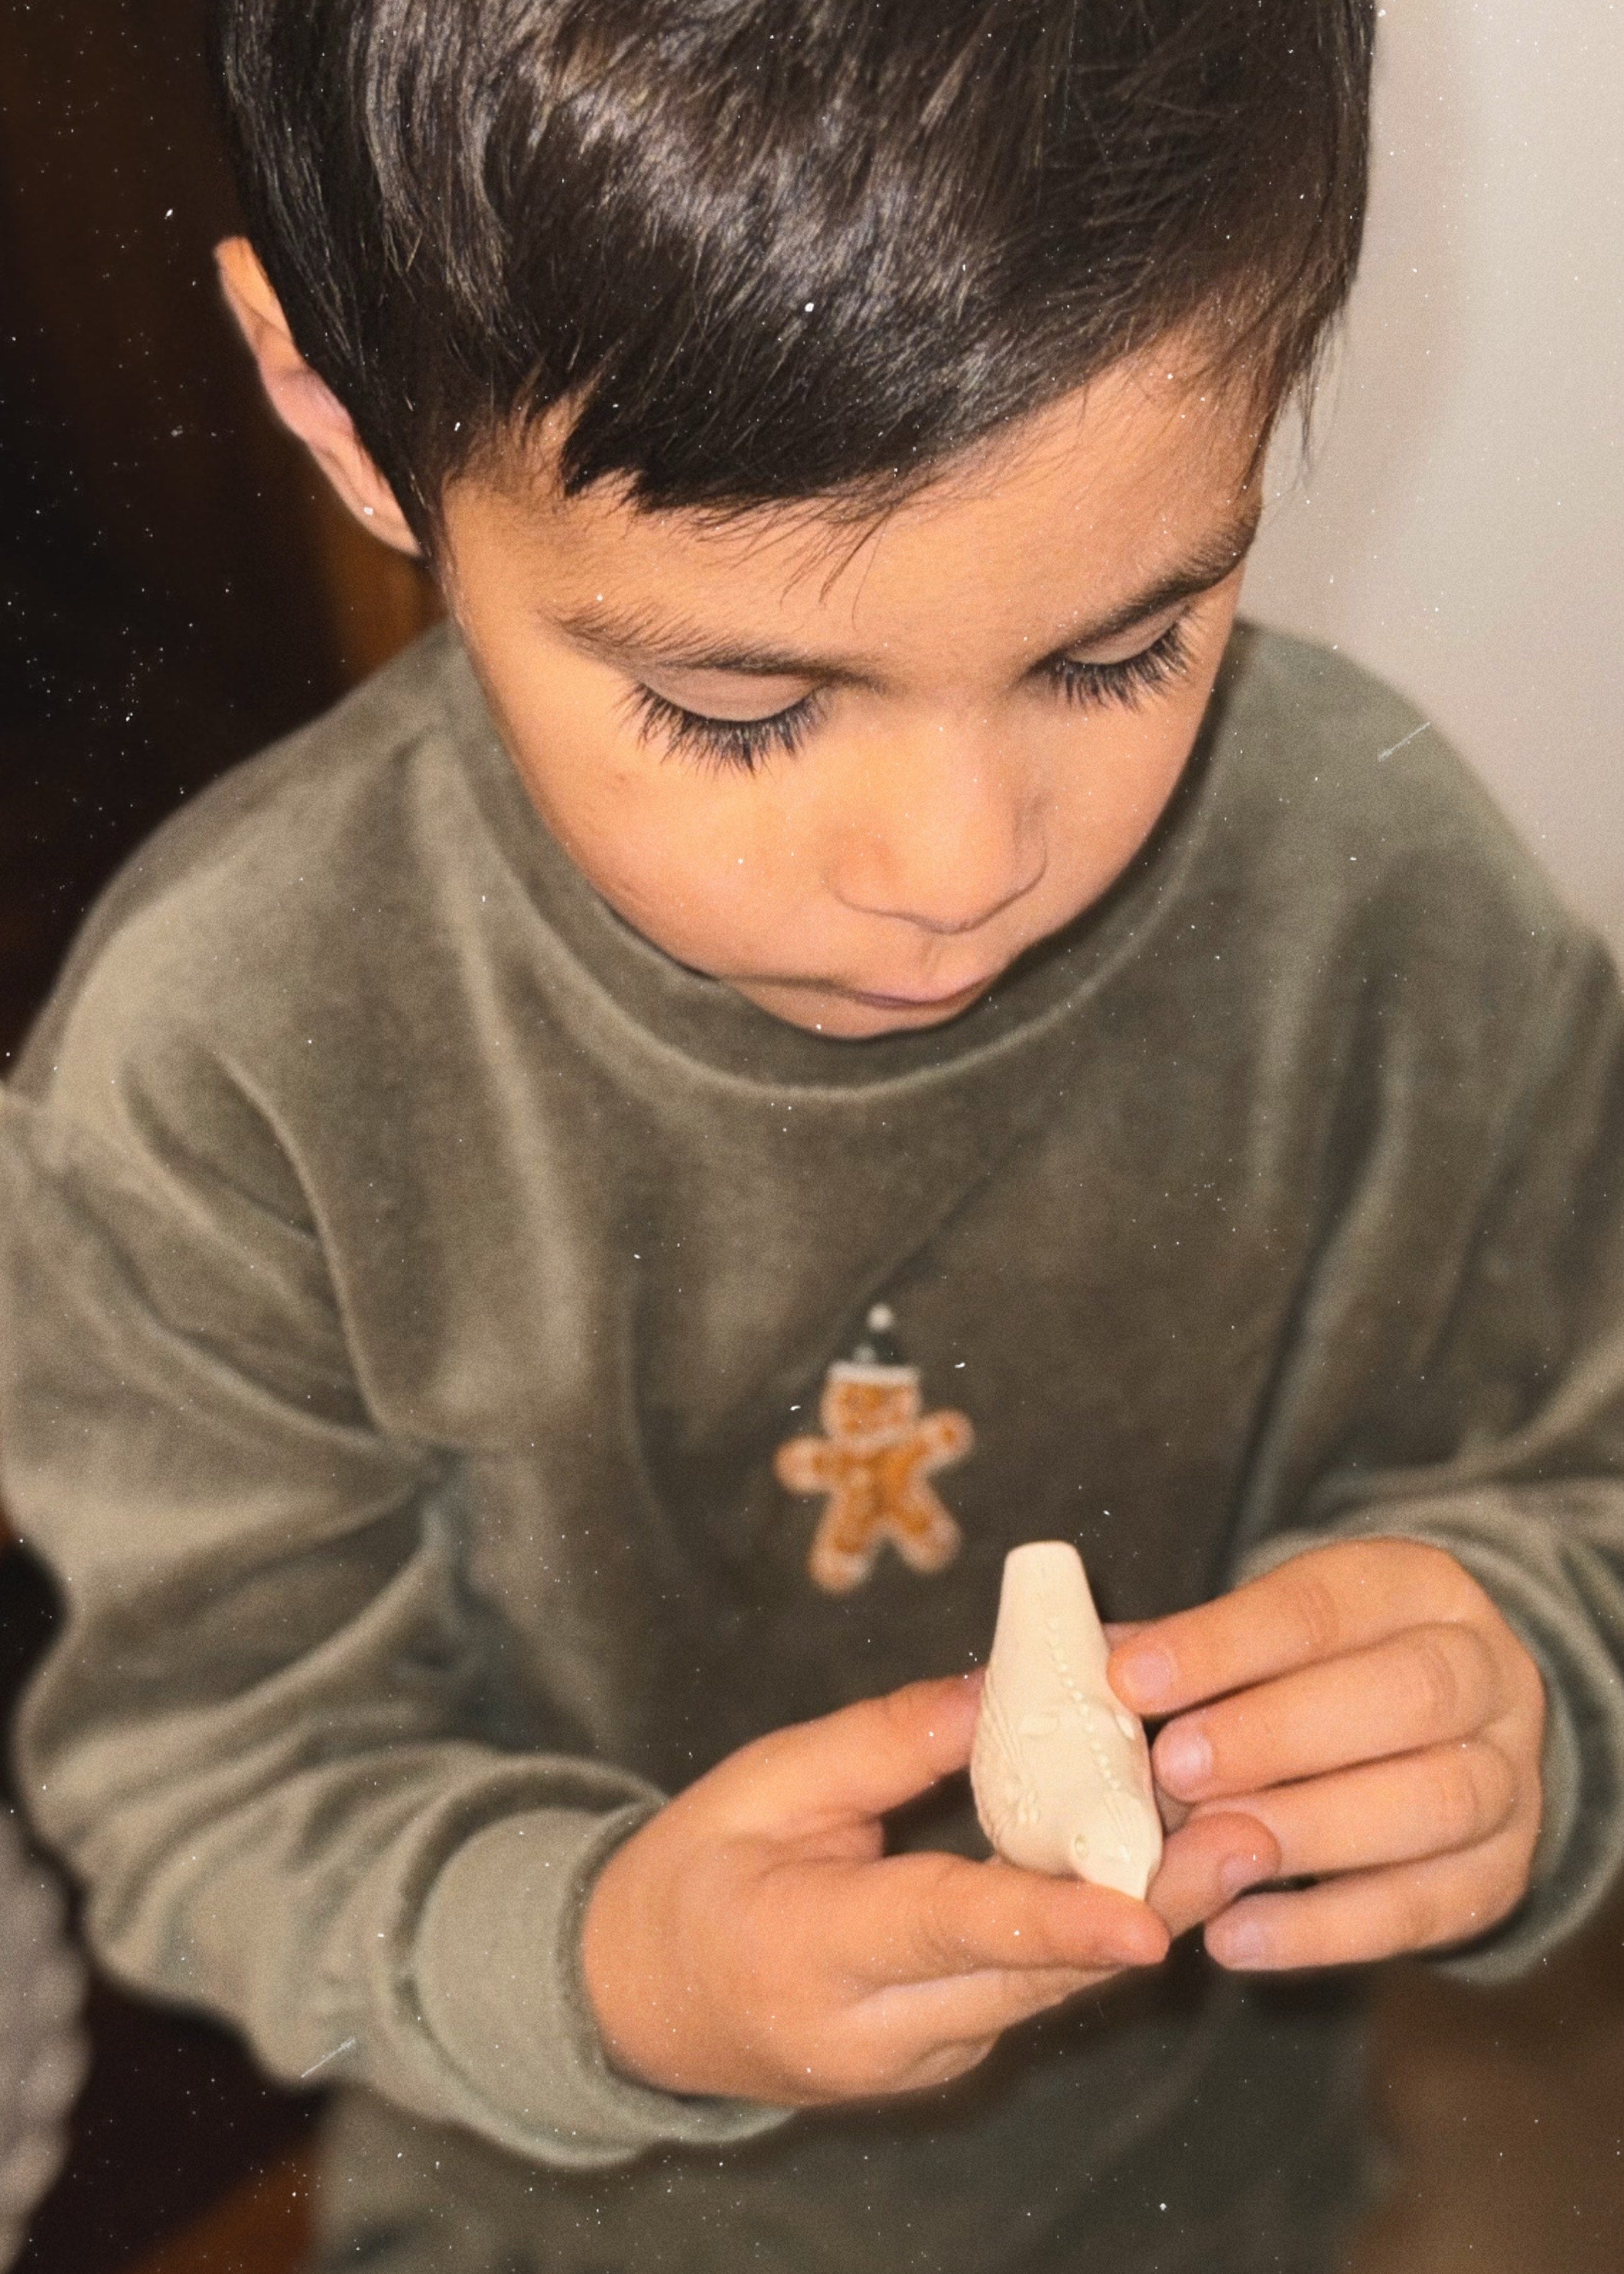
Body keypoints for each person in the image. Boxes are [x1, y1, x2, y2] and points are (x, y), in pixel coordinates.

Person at [2, 3, 1622, 2269]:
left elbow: (1571, 1469)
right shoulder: (223, 1076)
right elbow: (199, 1789)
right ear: (335, 418)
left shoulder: (1381, 903)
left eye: (1122, 646)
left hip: (1204, 2205)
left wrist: (1523, 1684)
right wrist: (603, 1966)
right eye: (736, 704)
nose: (957, 861)